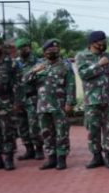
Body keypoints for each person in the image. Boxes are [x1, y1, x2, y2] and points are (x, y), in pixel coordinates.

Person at [24, 39, 75, 170]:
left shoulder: (65, 66)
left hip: (59, 105)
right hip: (42, 105)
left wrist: (70, 103)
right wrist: (34, 71)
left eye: (55, 50)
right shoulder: (39, 65)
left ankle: (61, 158)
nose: (52, 52)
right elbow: (24, 81)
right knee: (46, 133)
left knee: (61, 132)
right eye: (49, 50)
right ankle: (51, 158)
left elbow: (70, 85)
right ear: (44, 52)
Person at [76, 31, 109, 169]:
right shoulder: (82, 56)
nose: (104, 44)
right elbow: (83, 74)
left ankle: (108, 156)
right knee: (93, 129)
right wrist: (98, 65)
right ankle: (96, 157)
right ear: (92, 43)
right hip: (92, 101)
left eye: (104, 40)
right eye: (101, 41)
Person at [13, 38, 43, 161]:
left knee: (34, 126)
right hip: (19, 99)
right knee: (22, 126)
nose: (23, 50)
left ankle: (39, 149)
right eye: (20, 48)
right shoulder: (15, 63)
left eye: (25, 47)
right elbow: (15, 81)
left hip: (32, 98)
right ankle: (28, 150)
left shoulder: (38, 62)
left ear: (29, 48)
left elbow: (36, 79)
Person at [0, 36, 19, 171]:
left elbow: (18, 84)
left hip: (6, 102)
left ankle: (9, 158)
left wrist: (17, 102)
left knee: (7, 131)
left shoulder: (10, 63)